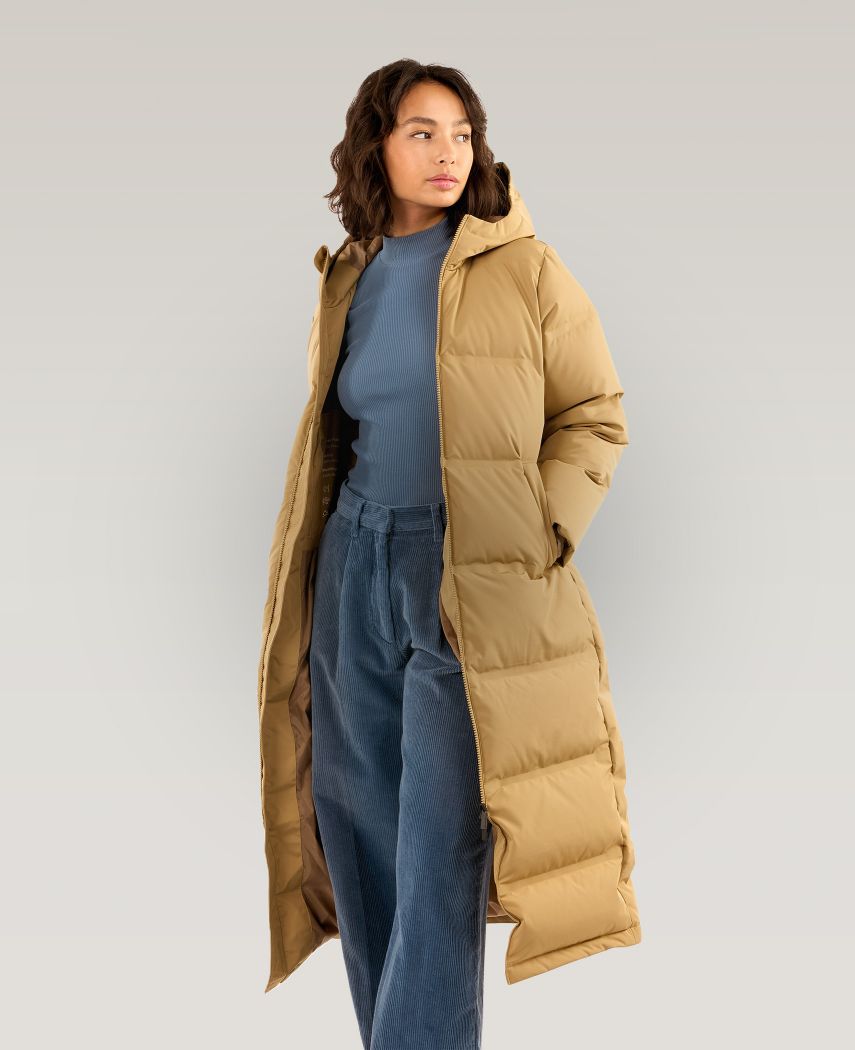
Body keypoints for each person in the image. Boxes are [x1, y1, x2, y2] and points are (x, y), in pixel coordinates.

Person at [257, 58, 642, 1050]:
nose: (448, 152)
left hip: (468, 575)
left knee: (439, 847)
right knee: (357, 830)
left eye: (462, 133)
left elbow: (594, 412)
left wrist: (535, 533)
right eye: (422, 132)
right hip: (354, 566)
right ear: (375, 146)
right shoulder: (350, 274)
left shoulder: (525, 269)